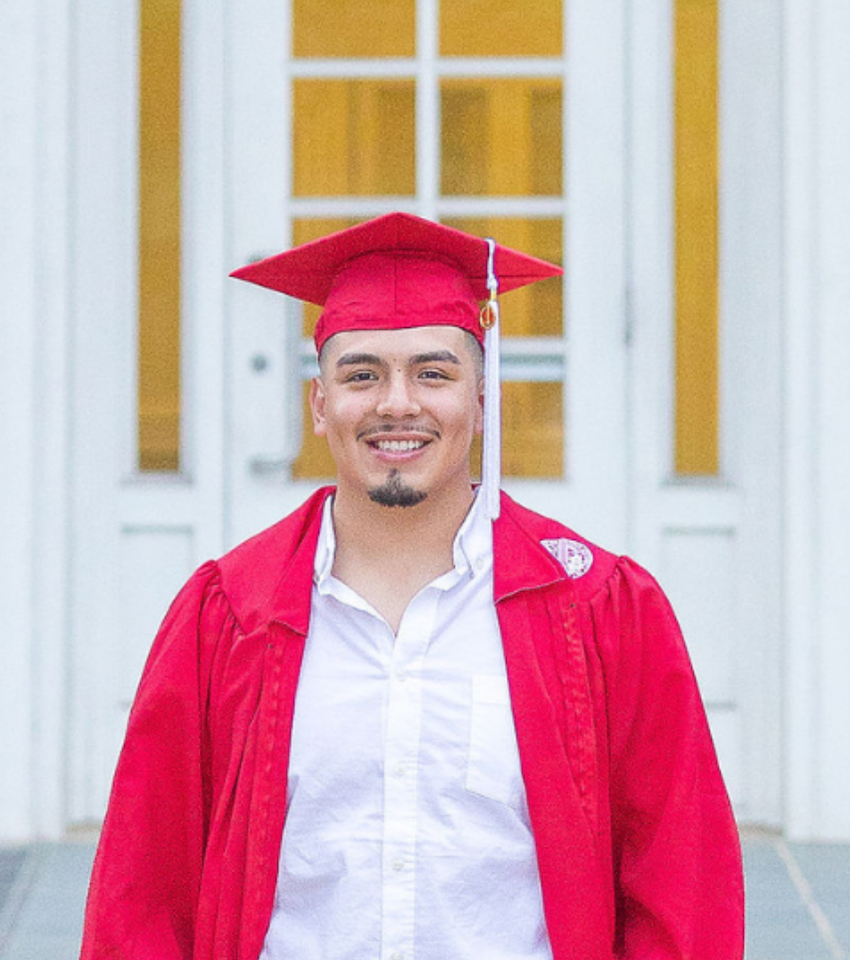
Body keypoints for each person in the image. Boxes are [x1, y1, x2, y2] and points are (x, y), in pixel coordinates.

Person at [79, 213, 743, 960]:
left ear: (483, 400)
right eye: (361, 374)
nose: (398, 403)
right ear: (320, 404)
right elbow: (142, 893)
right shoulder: (228, 613)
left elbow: (681, 889)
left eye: (434, 372)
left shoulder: (601, 610)